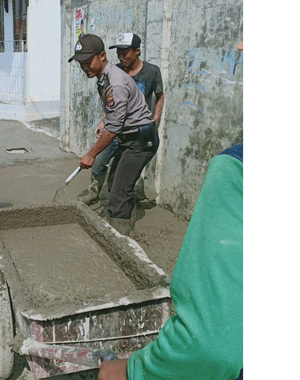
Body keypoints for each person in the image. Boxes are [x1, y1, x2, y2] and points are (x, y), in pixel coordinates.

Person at [97, 144, 243, 380]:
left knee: (118, 192)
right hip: (141, 139)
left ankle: (118, 235)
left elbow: (210, 344)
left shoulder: (236, 168)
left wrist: (137, 371)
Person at [69, 34, 158, 235]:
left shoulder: (115, 82)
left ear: (102, 56)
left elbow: (114, 129)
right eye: (80, 64)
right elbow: (113, 117)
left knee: (118, 193)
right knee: (114, 183)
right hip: (130, 137)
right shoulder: (105, 78)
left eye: (87, 62)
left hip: (141, 140)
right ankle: (125, 222)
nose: (84, 68)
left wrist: (91, 154)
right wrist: (105, 122)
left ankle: (121, 243)